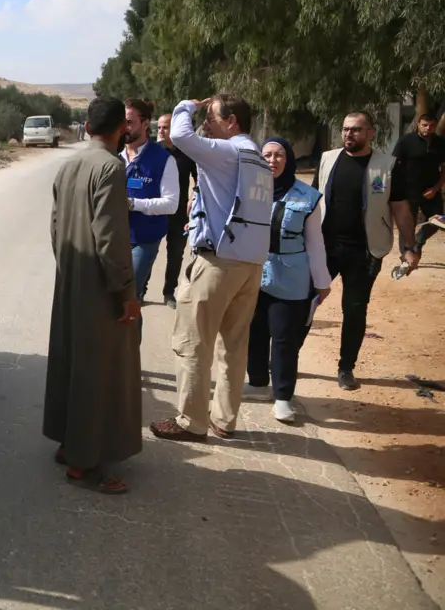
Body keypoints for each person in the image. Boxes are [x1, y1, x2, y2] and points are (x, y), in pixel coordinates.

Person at [149, 95, 272, 442]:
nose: (207, 123)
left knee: (193, 342)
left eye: (212, 117)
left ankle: (191, 421)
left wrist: (186, 106)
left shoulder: (227, 152)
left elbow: (182, 136)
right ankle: (224, 420)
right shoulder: (258, 159)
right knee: (233, 345)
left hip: (220, 261)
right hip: (251, 264)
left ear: (232, 121)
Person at [43, 97, 142, 495]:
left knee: (71, 363)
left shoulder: (68, 167)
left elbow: (54, 227)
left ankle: (69, 445)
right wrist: (126, 292)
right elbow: (111, 238)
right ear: (122, 129)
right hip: (99, 289)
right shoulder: (111, 167)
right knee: (96, 374)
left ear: (86, 126)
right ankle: (86, 465)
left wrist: (70, 269)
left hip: (70, 280)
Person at [313, 111, 418, 390]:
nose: (349, 134)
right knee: (305, 301)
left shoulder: (388, 165)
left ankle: (346, 368)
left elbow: (401, 209)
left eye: (357, 129)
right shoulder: (327, 159)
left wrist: (409, 247)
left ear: (371, 133)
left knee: (355, 309)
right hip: (325, 247)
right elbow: (312, 201)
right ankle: (287, 358)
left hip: (365, 252)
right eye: (346, 129)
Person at [247, 138, 331, 422]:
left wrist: (322, 281)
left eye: (279, 155)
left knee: (284, 338)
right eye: (267, 155)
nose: (272, 160)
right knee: (254, 331)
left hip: (291, 275)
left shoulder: (308, 197)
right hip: (253, 272)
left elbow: (315, 242)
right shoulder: (248, 190)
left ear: (289, 159)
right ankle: (258, 383)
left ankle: (283, 396)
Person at [121, 99, 179, 313]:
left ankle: (130, 345)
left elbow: (171, 204)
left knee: (129, 297)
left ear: (145, 124)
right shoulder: (115, 157)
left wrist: (133, 204)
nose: (124, 128)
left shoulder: (163, 159)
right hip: (115, 239)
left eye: (130, 122)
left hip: (144, 240)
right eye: (122, 122)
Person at [156, 112, 198, 308]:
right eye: (159, 127)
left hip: (179, 212)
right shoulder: (154, 152)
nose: (161, 131)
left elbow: (199, 180)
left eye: (165, 127)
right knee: (149, 250)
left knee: (175, 254)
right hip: (155, 211)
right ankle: (140, 290)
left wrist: (193, 197)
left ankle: (169, 292)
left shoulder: (188, 153)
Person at [392, 113, 445, 248]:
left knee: (437, 222)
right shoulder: (406, 141)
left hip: (431, 192)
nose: (428, 128)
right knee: (407, 225)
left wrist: (436, 187)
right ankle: (406, 255)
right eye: (425, 125)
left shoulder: (441, 143)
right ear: (418, 125)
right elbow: (394, 164)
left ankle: (418, 241)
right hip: (408, 191)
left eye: (432, 125)